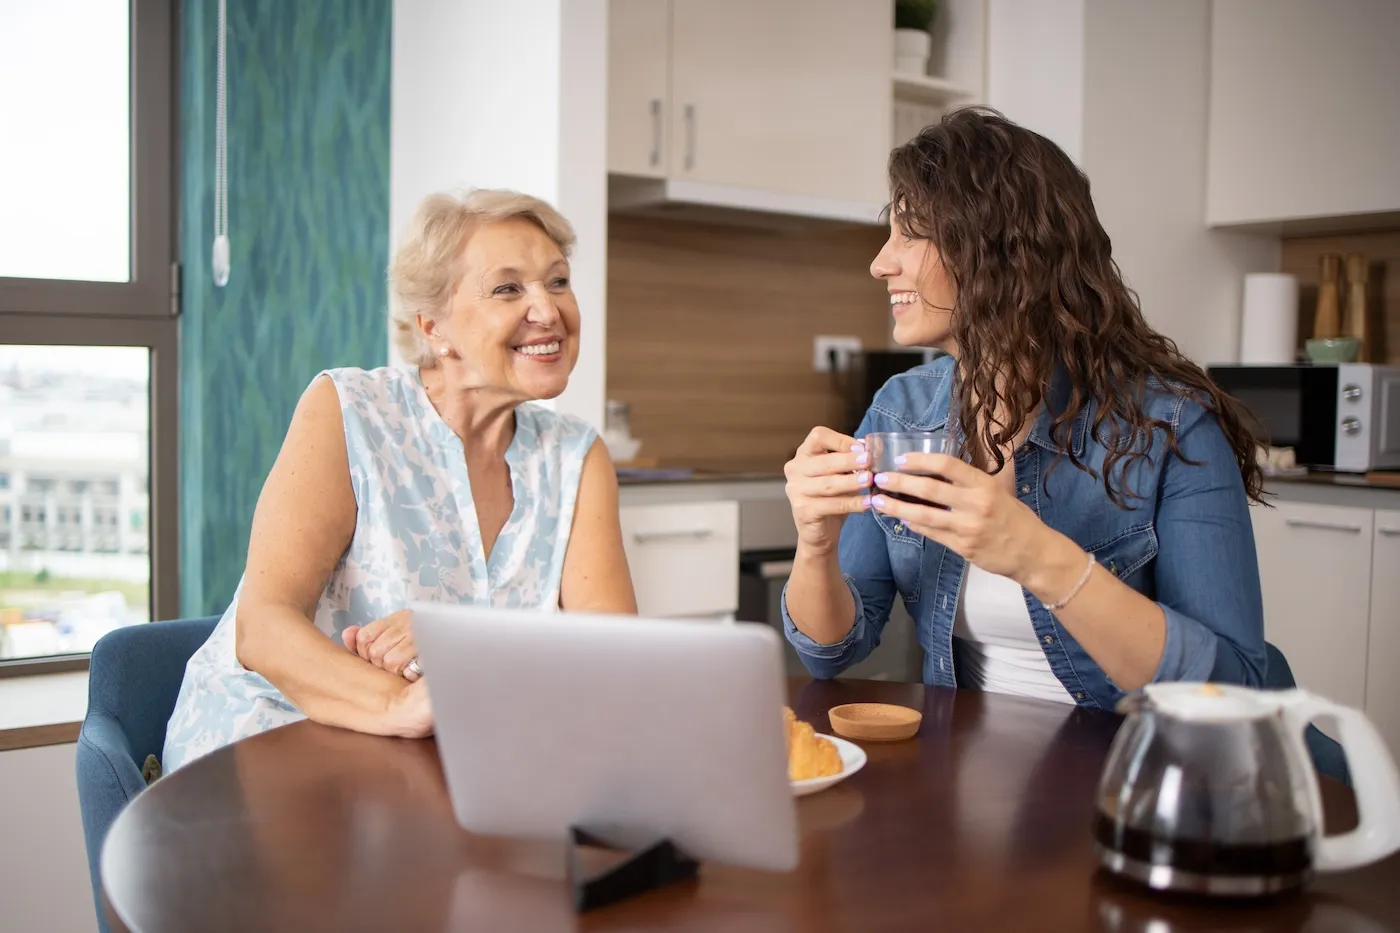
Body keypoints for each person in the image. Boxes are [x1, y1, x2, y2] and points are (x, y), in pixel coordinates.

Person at [781, 108, 1266, 709]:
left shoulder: (1170, 428)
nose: (881, 262)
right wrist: (816, 543)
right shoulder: (902, 411)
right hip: (969, 766)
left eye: (911, 234)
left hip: (1130, 772)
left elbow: (1233, 688)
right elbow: (830, 652)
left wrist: (1036, 555)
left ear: (1001, 249)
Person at [163, 189, 637, 771]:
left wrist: (464, 646)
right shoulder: (349, 409)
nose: (549, 309)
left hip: (441, 765)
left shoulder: (576, 455)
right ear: (434, 326)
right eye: (508, 288)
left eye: (558, 281)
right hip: (271, 744)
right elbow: (262, 628)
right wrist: (405, 704)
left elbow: (615, 658)